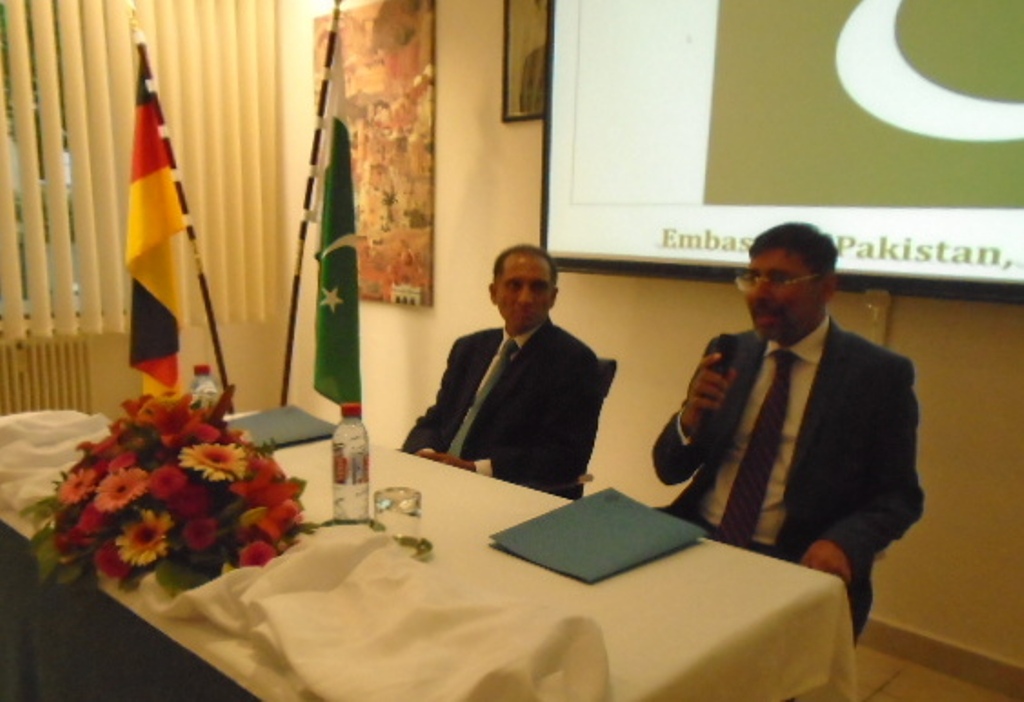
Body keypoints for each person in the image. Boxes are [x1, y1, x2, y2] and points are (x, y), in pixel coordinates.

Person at [652, 222, 924, 636]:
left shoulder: (876, 375)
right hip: (699, 536)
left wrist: (843, 543)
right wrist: (688, 420)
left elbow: (899, 496)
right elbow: (669, 470)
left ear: (827, 287)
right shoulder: (730, 352)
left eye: (780, 279)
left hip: (793, 558)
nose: (760, 292)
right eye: (752, 277)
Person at [402, 244, 604, 499]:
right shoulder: (469, 348)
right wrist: (425, 453)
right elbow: (438, 418)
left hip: (505, 494)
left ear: (553, 297)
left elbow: (564, 457)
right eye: (514, 285)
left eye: (538, 287)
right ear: (493, 292)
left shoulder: (573, 361)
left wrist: (474, 468)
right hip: (440, 482)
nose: (525, 298)